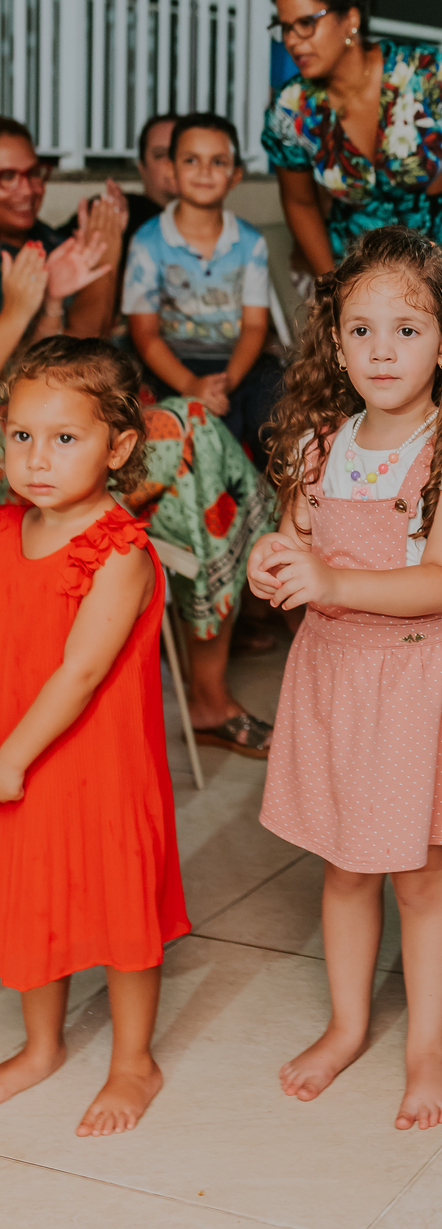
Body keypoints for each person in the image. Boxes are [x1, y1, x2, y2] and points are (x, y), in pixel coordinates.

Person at [249, 228, 442, 1131]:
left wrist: (331, 582)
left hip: (419, 679)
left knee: (422, 872)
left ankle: (428, 1043)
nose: (381, 352)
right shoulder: (319, 443)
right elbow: (298, 541)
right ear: (336, 343)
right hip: (334, 679)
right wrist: (275, 562)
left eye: (405, 330)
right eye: (359, 332)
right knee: (347, 863)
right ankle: (347, 1023)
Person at [0, 338, 189, 1134]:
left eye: (64, 438)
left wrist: (10, 756)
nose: (37, 458)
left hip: (97, 764)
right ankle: (42, 1044)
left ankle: (133, 1062)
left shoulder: (119, 552)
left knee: (119, 908)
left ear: (118, 447)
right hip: (25, 754)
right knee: (32, 893)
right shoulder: (11, 526)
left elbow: (79, 673)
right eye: (20, 435)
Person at [261, 0, 442, 294]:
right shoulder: (292, 111)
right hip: (358, 275)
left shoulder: (424, 74)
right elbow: (300, 202)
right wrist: (331, 281)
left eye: (306, 23)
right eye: (285, 27)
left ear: (350, 18)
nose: (292, 40)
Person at [124, 113, 280, 471]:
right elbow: (145, 335)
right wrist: (191, 384)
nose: (204, 171)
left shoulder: (250, 242)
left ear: (235, 175)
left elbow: (255, 327)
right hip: (172, 362)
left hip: (238, 363)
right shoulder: (148, 242)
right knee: (170, 422)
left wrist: (226, 384)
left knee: (276, 406)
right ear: (172, 172)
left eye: (218, 162)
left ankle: (273, 505)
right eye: (191, 160)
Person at [0, 118, 118, 354]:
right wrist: (15, 313)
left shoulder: (55, 245)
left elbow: (78, 355)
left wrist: (106, 251)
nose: (27, 191)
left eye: (34, 173)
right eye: (6, 176)